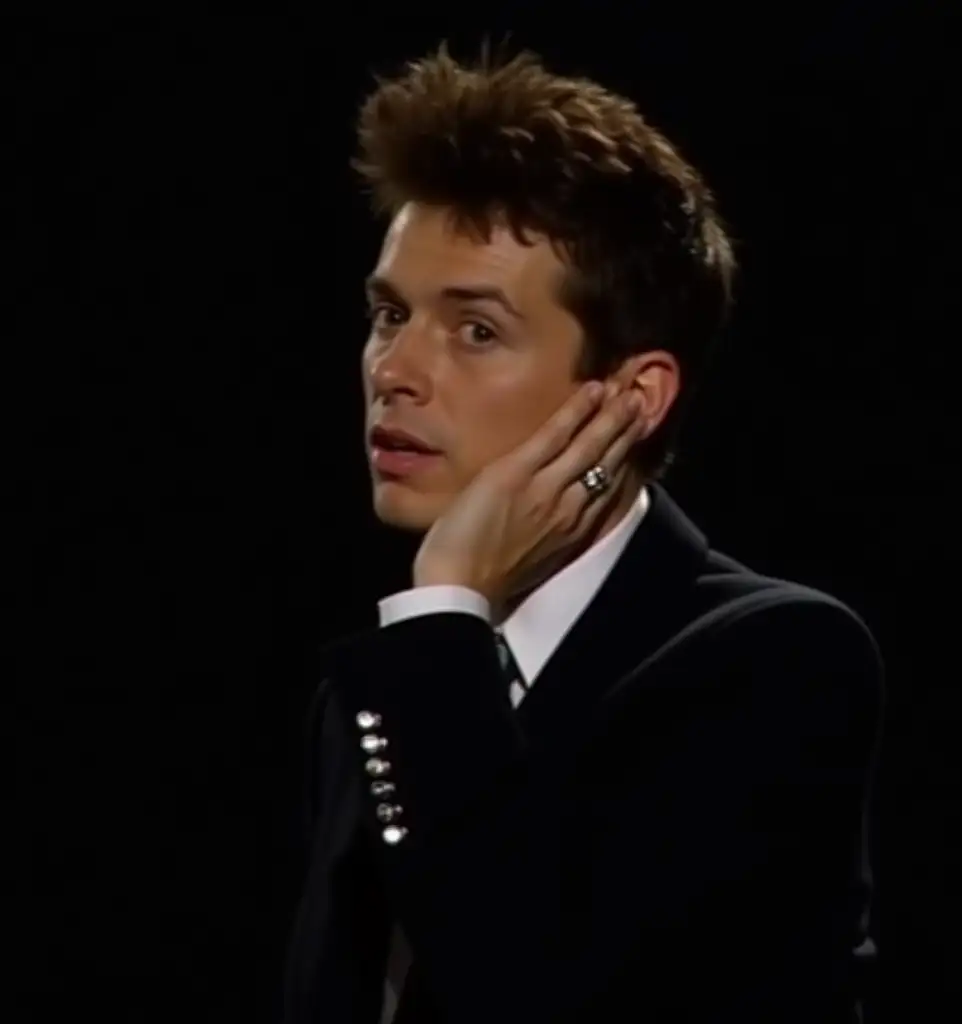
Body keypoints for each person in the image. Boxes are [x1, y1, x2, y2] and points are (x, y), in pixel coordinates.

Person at [282, 44, 884, 1024]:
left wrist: (447, 606)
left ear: (632, 397)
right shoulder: (373, 693)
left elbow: (521, 981)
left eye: (475, 330)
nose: (394, 368)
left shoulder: (773, 662)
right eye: (388, 313)